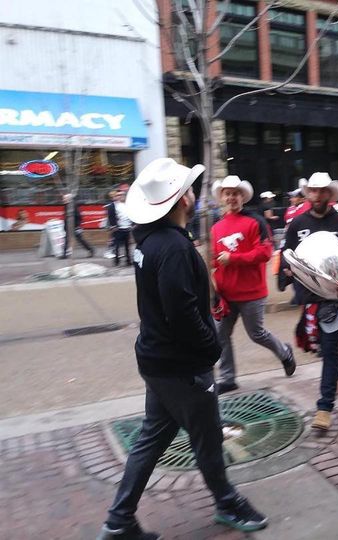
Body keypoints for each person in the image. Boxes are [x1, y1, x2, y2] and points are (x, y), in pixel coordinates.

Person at [97, 158, 268, 540]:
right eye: (190, 188)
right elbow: (181, 310)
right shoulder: (172, 246)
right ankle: (226, 501)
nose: (195, 192)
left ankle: (118, 520)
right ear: (183, 199)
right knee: (207, 437)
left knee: (152, 437)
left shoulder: (151, 242)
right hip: (181, 366)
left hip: (159, 362)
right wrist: (210, 350)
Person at [282, 172, 338, 431]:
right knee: (319, 347)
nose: (317, 195)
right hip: (309, 298)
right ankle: (333, 377)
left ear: (329, 194)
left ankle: (324, 408)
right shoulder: (296, 225)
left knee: (330, 350)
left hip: (335, 300)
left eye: (322, 191)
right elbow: (287, 254)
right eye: (313, 190)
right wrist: (287, 270)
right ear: (308, 194)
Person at [211, 176, 296, 396]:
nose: (231, 197)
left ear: (242, 197)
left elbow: (265, 253)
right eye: (227, 193)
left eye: (235, 193)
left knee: (256, 333)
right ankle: (228, 378)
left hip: (251, 293)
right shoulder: (216, 227)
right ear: (222, 197)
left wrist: (233, 258)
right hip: (225, 294)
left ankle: (285, 353)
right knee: (220, 335)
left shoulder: (256, 222)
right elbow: (213, 260)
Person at [60, 193, 94, 259]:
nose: (63, 199)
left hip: (74, 227)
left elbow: (79, 217)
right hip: (68, 227)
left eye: (64, 198)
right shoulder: (66, 206)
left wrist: (77, 226)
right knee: (66, 241)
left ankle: (90, 249)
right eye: (63, 198)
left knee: (80, 240)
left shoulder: (73, 206)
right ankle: (64, 254)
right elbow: (66, 217)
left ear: (69, 199)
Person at [107, 186, 133, 266]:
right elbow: (111, 216)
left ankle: (128, 261)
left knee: (127, 246)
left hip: (127, 228)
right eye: (118, 195)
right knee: (117, 246)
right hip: (118, 229)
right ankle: (117, 261)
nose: (120, 196)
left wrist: (132, 224)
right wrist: (113, 226)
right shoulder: (112, 206)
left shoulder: (127, 204)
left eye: (122, 195)